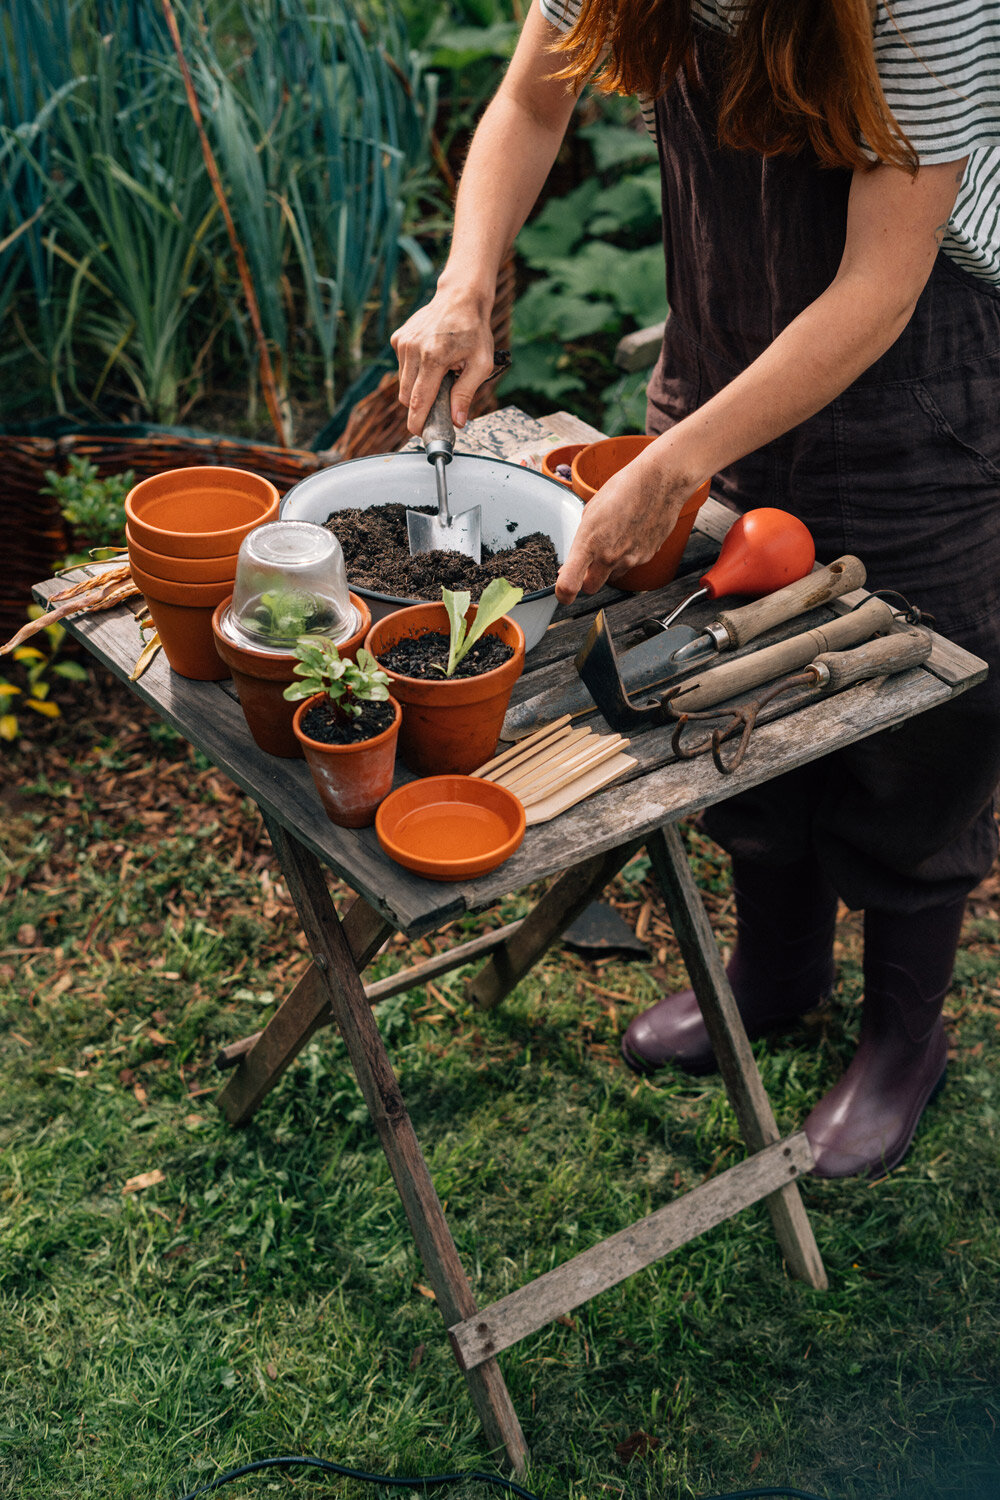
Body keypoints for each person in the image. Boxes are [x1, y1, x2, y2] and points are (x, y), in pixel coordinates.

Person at [390, 0, 1000, 1178]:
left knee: (921, 733)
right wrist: (467, 281)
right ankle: (775, 975)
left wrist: (671, 465)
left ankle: (899, 1041)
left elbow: (877, 287)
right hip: (726, 340)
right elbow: (530, 94)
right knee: (717, 672)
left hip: (917, 375)